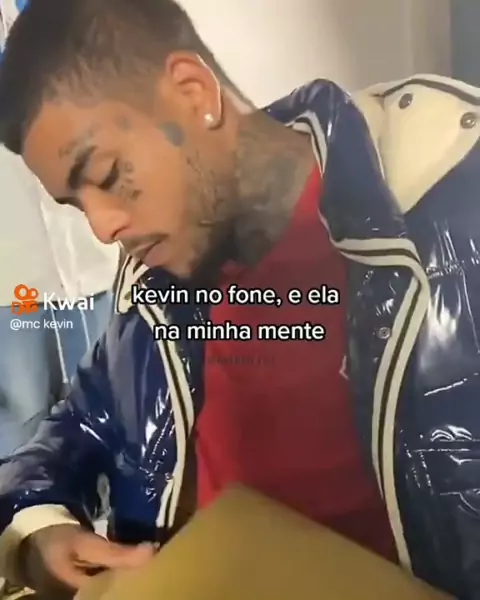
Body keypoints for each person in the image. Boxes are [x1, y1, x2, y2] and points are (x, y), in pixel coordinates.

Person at [0, 0, 476, 598]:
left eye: (107, 174)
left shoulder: (449, 204)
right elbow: (79, 421)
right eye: (76, 204)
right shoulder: (160, 279)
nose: (102, 228)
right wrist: (39, 527)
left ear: (194, 93)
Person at [0, 0, 119, 457]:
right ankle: (26, 503)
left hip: (89, 254)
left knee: (107, 399)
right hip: (12, 272)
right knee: (21, 413)